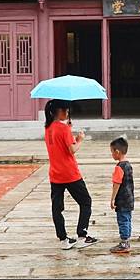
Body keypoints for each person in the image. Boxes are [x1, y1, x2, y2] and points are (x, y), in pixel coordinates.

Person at [44, 99, 98, 250]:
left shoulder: (48, 128)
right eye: (66, 110)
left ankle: (63, 239)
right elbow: (72, 150)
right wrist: (80, 139)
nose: (67, 113)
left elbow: (59, 145)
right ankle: (82, 235)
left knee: (57, 207)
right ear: (60, 111)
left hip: (55, 174)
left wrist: (68, 131)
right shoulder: (63, 129)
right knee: (86, 202)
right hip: (70, 173)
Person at [109, 137, 134, 254]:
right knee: (127, 219)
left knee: (122, 220)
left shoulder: (119, 167)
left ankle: (124, 243)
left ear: (117, 152)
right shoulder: (128, 165)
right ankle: (127, 240)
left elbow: (116, 184)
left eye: (112, 152)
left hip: (122, 199)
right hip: (129, 198)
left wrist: (112, 198)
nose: (112, 154)